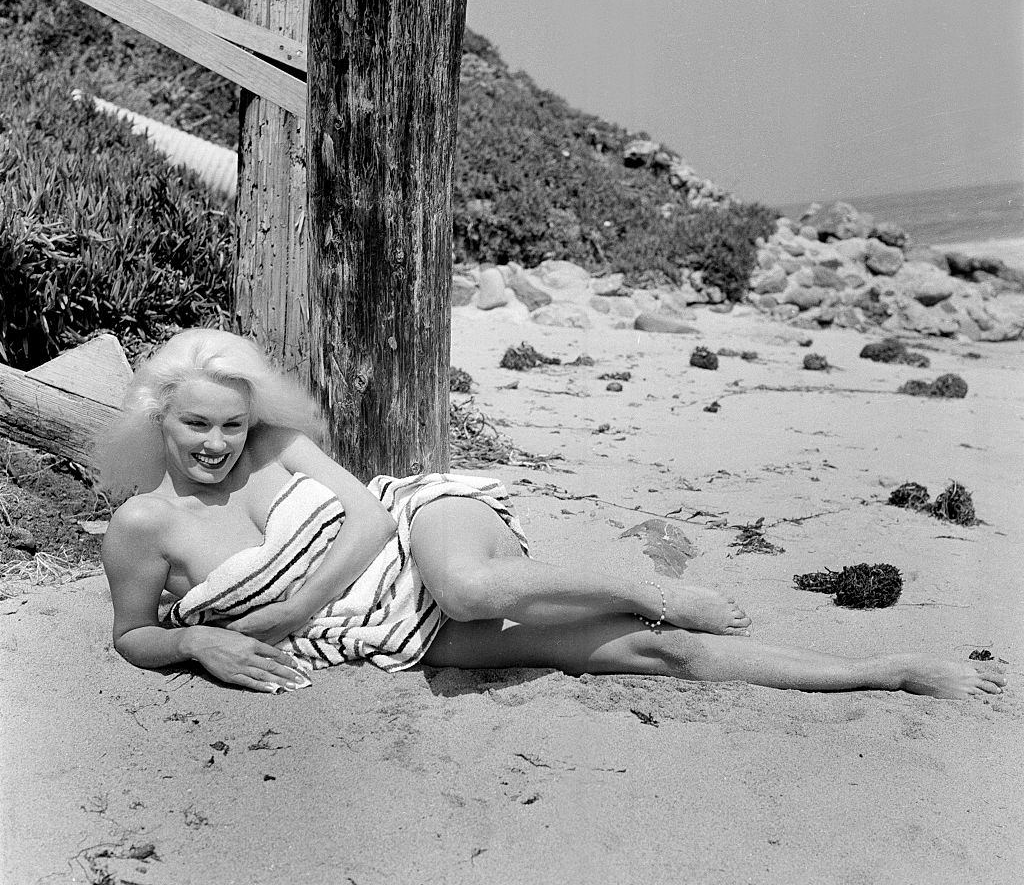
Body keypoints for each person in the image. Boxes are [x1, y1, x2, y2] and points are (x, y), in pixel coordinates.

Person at [99, 328, 1006, 700]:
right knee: (660, 655)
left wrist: (290, 613)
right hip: (384, 636)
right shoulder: (142, 526)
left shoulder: (273, 448)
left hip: (422, 538)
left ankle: (641, 579)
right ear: (157, 419)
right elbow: (132, 634)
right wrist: (191, 642)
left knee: (465, 584)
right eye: (195, 426)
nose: (217, 443)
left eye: (230, 422)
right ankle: (884, 670)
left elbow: (370, 522)